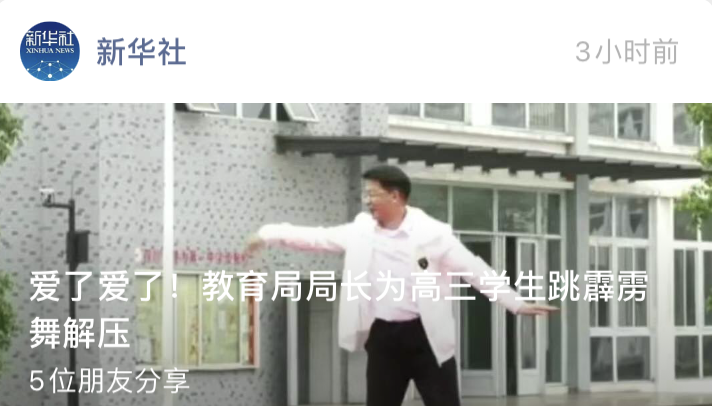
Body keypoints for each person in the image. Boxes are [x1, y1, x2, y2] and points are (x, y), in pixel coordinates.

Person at [242, 164, 557, 406]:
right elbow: (318, 238)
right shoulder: (361, 232)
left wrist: (516, 303)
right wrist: (268, 234)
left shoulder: (432, 235)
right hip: (384, 337)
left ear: (395, 196)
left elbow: (475, 270)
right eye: (366, 195)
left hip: (426, 337)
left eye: (373, 194)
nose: (367, 201)